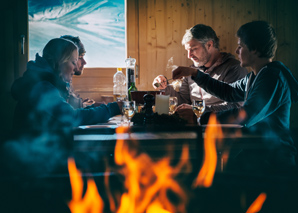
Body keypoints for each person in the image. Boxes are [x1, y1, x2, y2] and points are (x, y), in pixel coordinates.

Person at [172, 21, 298, 173]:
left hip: (274, 162)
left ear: (255, 50)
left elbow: (245, 115)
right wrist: (195, 73)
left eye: (240, 46)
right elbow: (228, 91)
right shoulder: (255, 76)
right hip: (257, 155)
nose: (236, 50)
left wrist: (200, 117)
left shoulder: (272, 77)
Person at [11, 38, 122, 136]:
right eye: (73, 62)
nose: (75, 68)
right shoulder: (42, 87)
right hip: (32, 155)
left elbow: (68, 112)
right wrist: (113, 108)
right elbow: (72, 117)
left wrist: (96, 108)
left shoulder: (44, 82)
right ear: (60, 61)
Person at [152, 24, 247, 122]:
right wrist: (165, 87)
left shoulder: (233, 68)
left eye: (193, 49)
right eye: (187, 50)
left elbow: (236, 106)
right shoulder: (191, 71)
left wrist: (198, 110)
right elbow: (183, 101)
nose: (189, 56)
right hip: (194, 128)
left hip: (221, 130)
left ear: (209, 45)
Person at [60, 35, 101, 108]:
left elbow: (71, 104)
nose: (84, 62)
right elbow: (68, 111)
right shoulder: (58, 81)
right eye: (80, 57)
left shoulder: (66, 78)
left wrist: (82, 104)